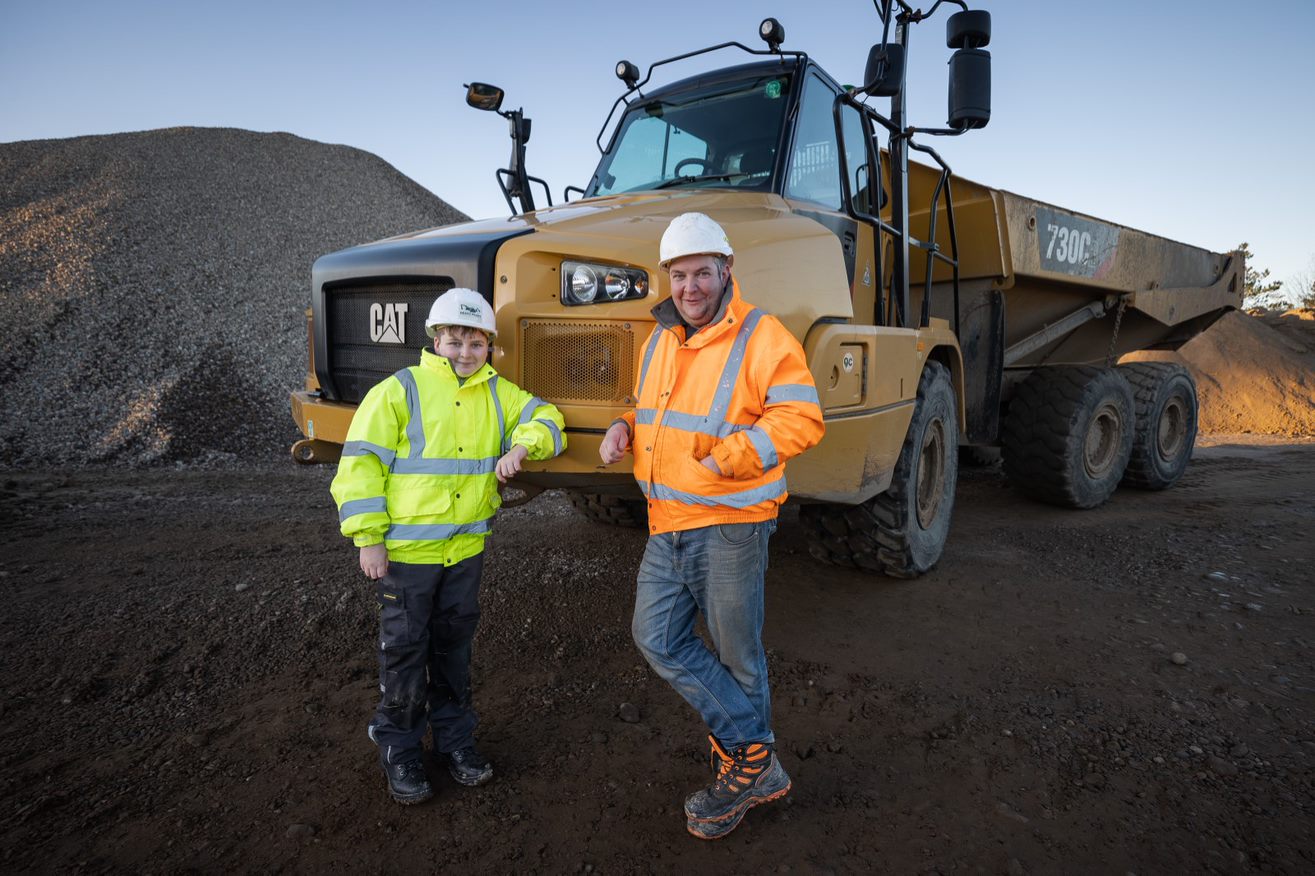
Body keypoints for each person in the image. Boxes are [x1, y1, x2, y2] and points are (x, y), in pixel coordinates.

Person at [598, 212, 825, 839]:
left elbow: (801, 419)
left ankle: (745, 772)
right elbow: (656, 410)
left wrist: (729, 459)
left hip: (729, 524)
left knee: (737, 656)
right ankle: (758, 756)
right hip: (666, 522)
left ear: (727, 271)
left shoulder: (762, 335)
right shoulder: (661, 339)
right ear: (668, 278)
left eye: (702, 272)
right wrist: (625, 426)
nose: (690, 286)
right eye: (679, 274)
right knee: (656, 636)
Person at [331, 287, 565, 805]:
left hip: (464, 554)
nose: (464, 352)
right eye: (454, 340)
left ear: (488, 346)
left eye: (475, 343)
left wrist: (524, 444)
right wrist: (368, 540)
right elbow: (360, 466)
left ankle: (456, 743)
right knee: (406, 655)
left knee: (454, 654)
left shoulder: (498, 394)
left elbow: (550, 417)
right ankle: (400, 749)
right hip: (407, 559)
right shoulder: (399, 390)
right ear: (435, 339)